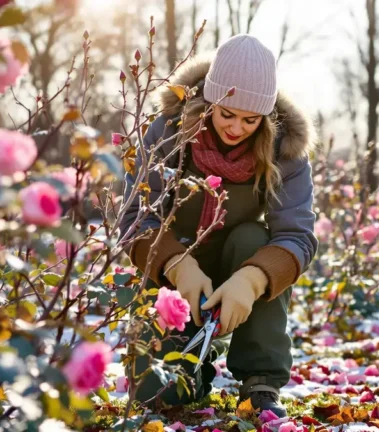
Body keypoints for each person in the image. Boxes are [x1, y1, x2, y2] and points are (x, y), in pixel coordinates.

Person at [118, 34, 318, 417]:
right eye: (227, 113)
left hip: (238, 263)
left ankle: (260, 379)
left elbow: (297, 234)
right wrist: (179, 267)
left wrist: (253, 280)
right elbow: (136, 218)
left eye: (251, 119)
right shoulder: (168, 132)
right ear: (207, 100)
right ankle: (189, 371)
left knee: (251, 237)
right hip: (173, 269)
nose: (237, 128)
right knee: (160, 396)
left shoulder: (285, 150)